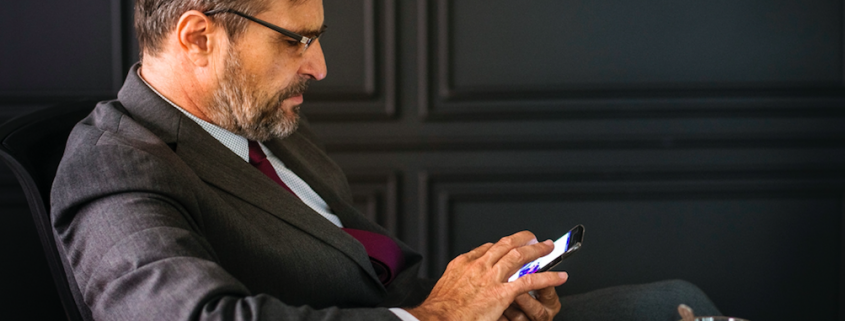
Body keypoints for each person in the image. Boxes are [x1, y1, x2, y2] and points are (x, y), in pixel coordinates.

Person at [51, 0, 721, 320]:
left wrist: (483, 294)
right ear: (198, 37)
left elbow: (363, 262)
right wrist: (434, 318)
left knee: (681, 301)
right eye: (295, 41)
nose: (318, 64)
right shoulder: (114, 165)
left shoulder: (256, 117)